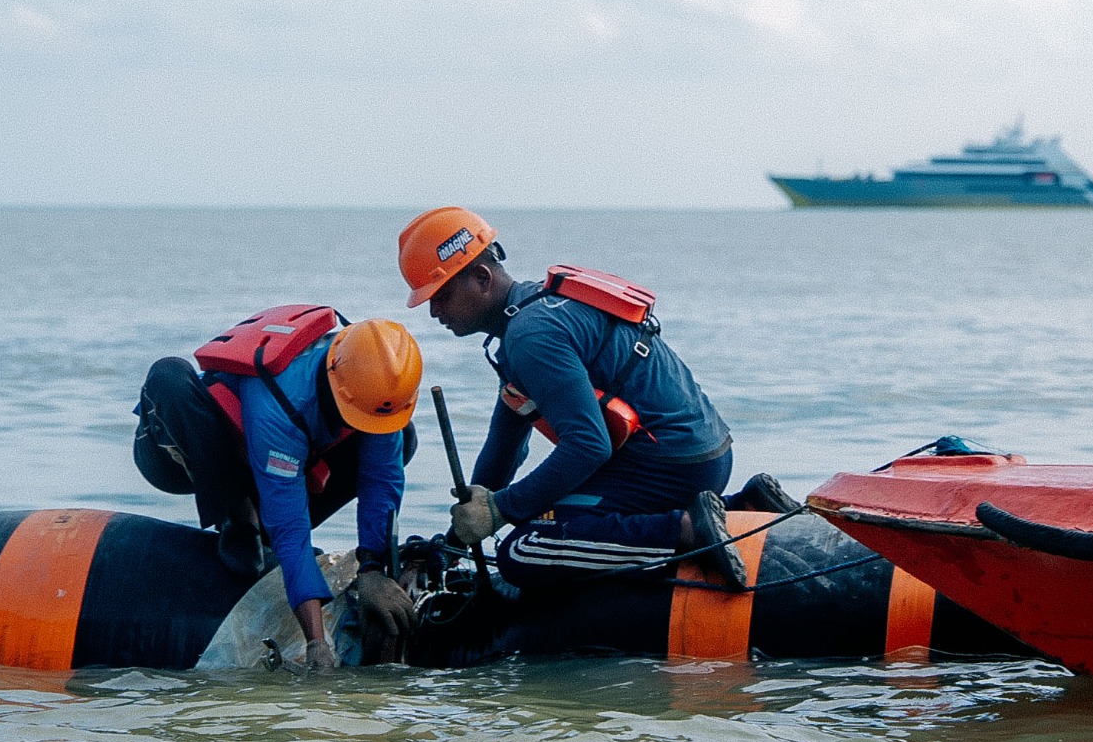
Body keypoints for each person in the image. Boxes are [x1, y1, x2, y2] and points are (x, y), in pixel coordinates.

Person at [398, 206, 786, 591]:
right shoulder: (531, 316)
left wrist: (502, 510)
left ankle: (688, 532)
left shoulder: (531, 337)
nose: (434, 311)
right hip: (703, 456)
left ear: (482, 277)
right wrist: (455, 540)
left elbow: (589, 446)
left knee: (525, 549)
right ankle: (744, 506)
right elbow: (504, 450)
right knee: (537, 510)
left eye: (442, 295)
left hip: (671, 468)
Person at [133, 308, 424, 668]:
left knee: (401, 440)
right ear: (337, 385)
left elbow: (383, 482)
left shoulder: (379, 391)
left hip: (280, 461)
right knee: (169, 375)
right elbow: (291, 528)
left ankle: (261, 532)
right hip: (180, 450)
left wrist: (372, 570)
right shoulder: (281, 401)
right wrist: (317, 643)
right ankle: (239, 517)